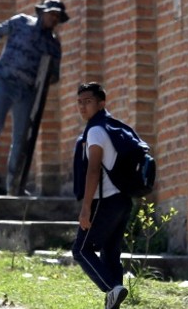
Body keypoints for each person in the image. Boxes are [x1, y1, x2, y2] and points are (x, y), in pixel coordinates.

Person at [0, 0, 69, 194]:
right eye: (51, 14)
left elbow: (54, 74)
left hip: (27, 90)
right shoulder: (20, 22)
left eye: (57, 16)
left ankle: (14, 185)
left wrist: (47, 76)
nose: (53, 19)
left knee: (21, 137)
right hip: (4, 81)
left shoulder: (54, 44)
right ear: (42, 12)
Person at [72, 82, 131, 309]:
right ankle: (113, 301)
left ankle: (112, 287)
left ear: (101, 103)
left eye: (88, 102)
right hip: (123, 200)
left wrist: (86, 208)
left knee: (80, 250)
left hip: (105, 201)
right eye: (79, 102)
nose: (82, 107)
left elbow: (94, 169)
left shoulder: (96, 130)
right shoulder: (113, 126)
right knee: (110, 252)